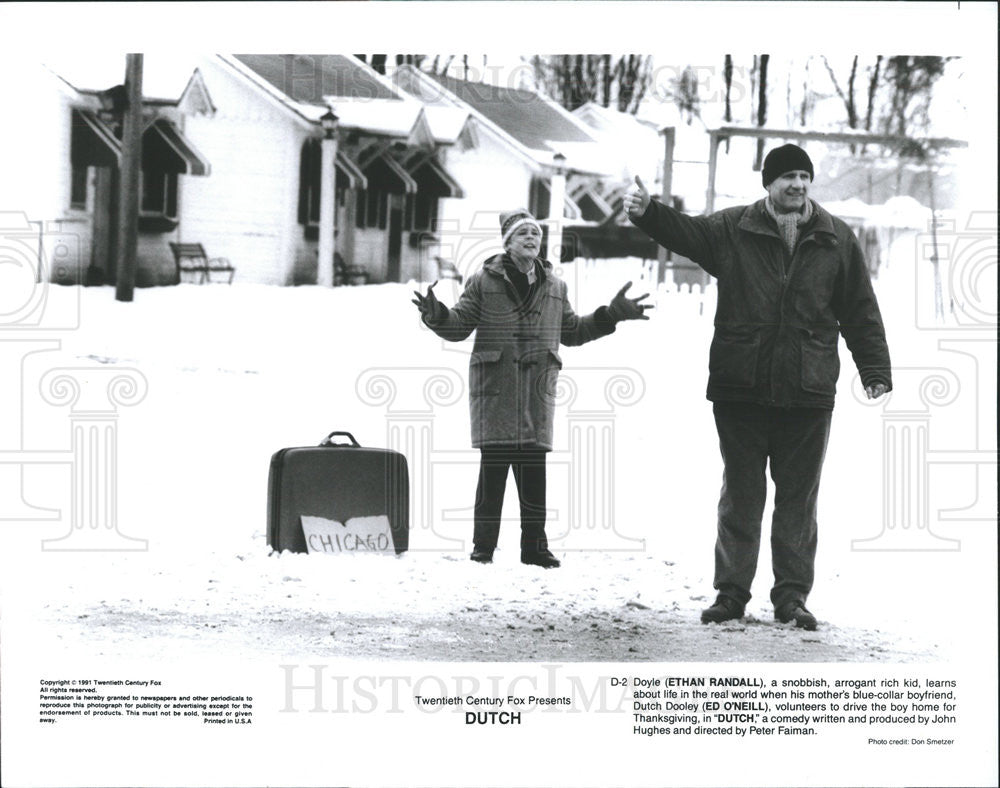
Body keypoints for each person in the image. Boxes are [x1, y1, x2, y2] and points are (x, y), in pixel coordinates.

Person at [624, 143, 891, 629]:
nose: (798, 184)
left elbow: (860, 310)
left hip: (808, 391)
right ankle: (731, 594)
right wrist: (649, 213)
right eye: (787, 176)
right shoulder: (733, 229)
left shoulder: (836, 238)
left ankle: (791, 597)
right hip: (741, 385)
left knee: (798, 500)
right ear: (768, 183)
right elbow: (686, 232)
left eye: (804, 176)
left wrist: (874, 370)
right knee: (741, 495)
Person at [413, 209, 651, 568]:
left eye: (536, 234)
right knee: (493, 469)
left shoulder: (556, 286)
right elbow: (459, 325)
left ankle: (534, 547)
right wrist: (436, 313)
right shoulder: (483, 281)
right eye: (523, 233)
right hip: (497, 385)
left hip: (537, 387)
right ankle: (483, 547)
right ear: (507, 242)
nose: (531, 239)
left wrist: (611, 315)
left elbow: (572, 331)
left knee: (533, 469)